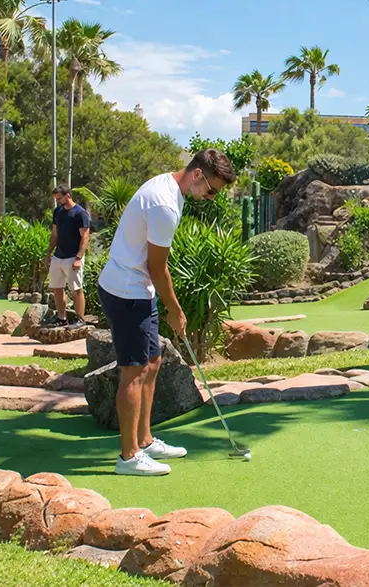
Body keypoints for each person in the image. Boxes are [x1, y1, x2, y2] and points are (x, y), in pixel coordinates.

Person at [97, 149, 235, 476]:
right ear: (198, 174)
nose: (211, 197)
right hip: (126, 290)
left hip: (139, 289)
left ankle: (144, 440)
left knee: (153, 361)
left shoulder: (173, 189)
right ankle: (128, 456)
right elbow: (157, 269)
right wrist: (176, 310)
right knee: (133, 370)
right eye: (212, 190)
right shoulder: (164, 204)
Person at [46, 185, 91, 328]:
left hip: (73, 256)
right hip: (58, 255)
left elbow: (85, 237)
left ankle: (80, 319)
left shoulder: (80, 213)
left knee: (76, 288)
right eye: (56, 199)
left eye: (59, 198)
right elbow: (54, 234)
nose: (58, 201)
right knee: (57, 287)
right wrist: (48, 253)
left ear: (68, 195)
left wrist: (78, 258)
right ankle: (61, 318)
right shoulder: (58, 212)